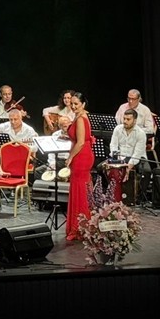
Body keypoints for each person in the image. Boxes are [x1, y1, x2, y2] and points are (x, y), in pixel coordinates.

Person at [64, 92, 94, 241]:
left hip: (81, 156)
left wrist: (70, 157)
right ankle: (80, 225)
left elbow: (81, 142)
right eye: (72, 103)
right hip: (81, 154)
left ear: (83, 104)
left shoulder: (81, 118)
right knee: (79, 189)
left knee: (80, 191)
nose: (73, 106)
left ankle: (80, 227)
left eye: (76, 104)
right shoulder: (79, 116)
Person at [107, 108, 149, 203]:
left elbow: (137, 153)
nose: (125, 121)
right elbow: (113, 145)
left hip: (136, 157)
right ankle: (110, 194)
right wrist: (116, 159)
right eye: (124, 118)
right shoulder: (118, 129)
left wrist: (129, 166)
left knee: (146, 171)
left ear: (135, 120)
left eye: (128, 119)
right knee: (100, 167)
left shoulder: (141, 133)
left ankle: (139, 198)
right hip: (120, 157)